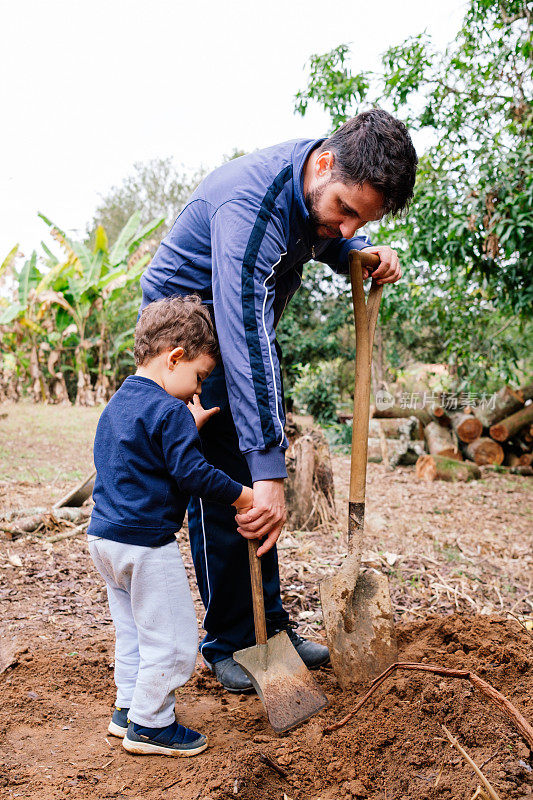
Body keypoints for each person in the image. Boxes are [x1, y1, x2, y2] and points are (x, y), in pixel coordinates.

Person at [140, 108, 418, 691]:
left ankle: (273, 631)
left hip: (238, 330)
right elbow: (241, 336)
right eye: (346, 210)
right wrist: (267, 470)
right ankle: (230, 642)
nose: (346, 225)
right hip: (186, 343)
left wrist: (357, 252)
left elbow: (323, 238)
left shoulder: (318, 188)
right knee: (227, 482)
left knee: (259, 485)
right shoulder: (251, 209)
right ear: (322, 165)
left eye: (361, 219)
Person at [87, 295, 254, 756]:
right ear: (174, 358)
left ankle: (127, 709)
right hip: (146, 546)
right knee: (174, 638)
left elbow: (140, 454)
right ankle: (151, 724)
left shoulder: (120, 401)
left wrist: (186, 426)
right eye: (199, 376)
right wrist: (244, 494)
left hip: (104, 541)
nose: (197, 387)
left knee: (133, 631)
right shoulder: (171, 411)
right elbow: (193, 474)